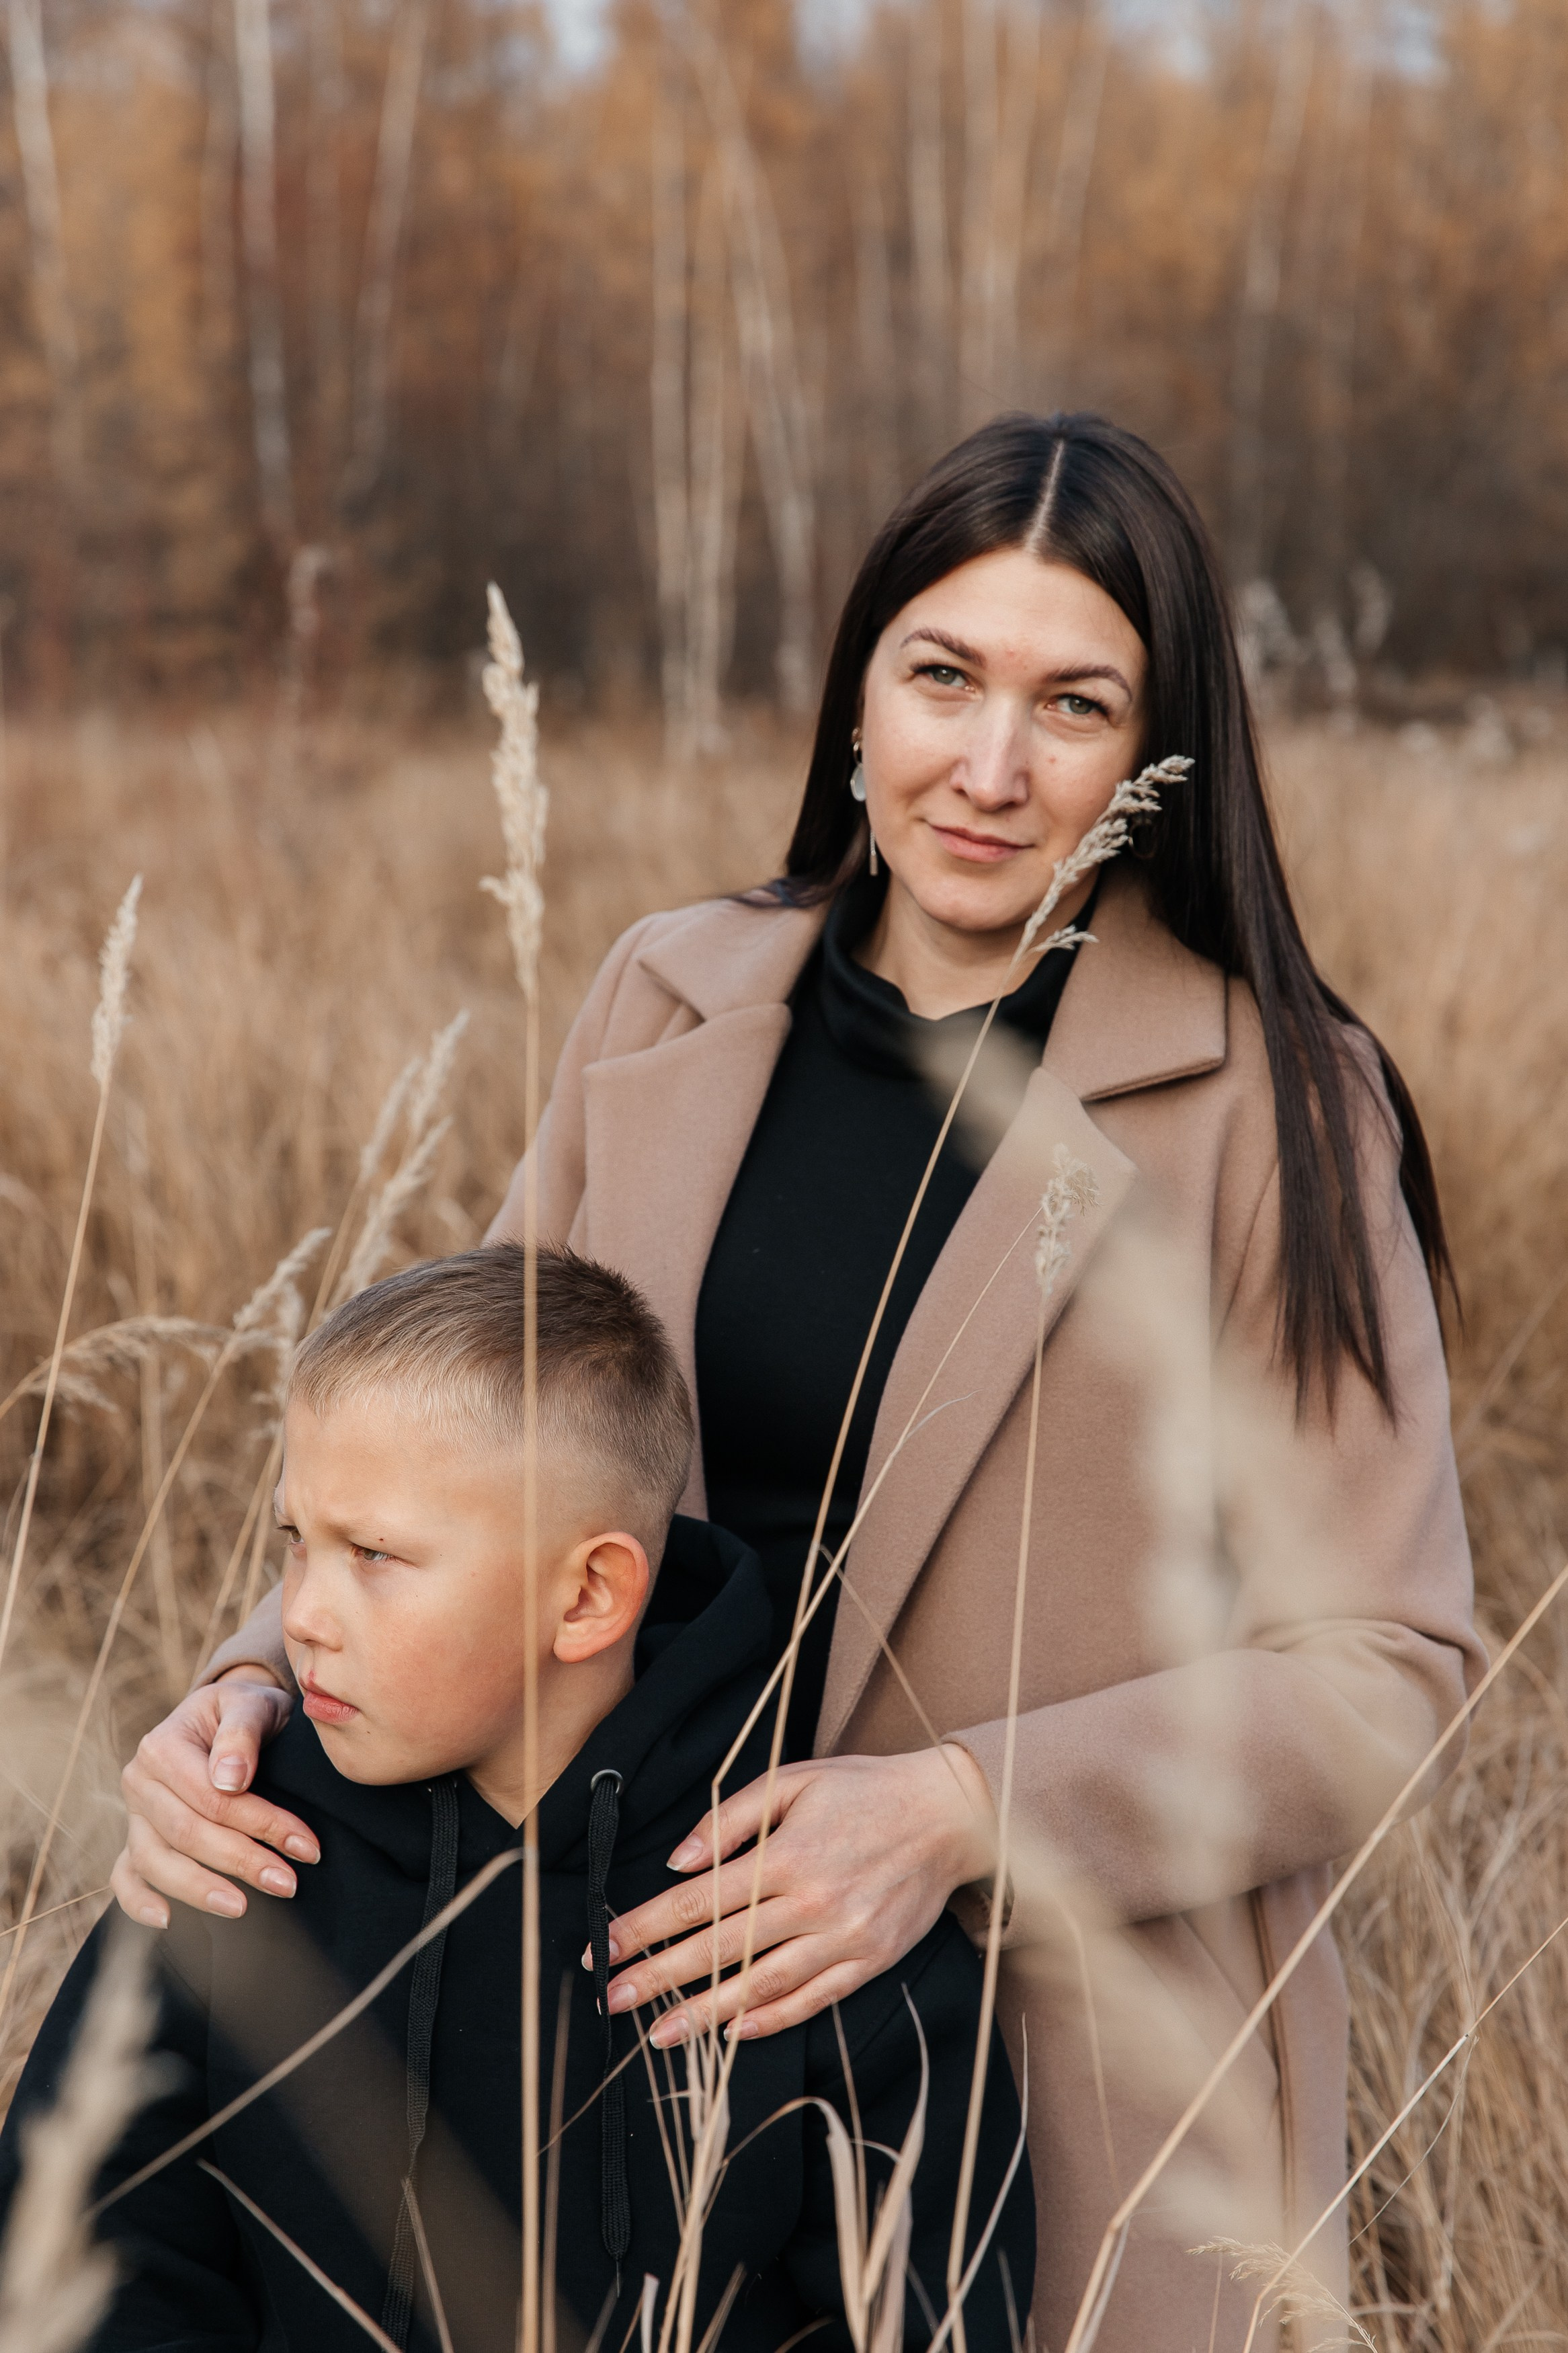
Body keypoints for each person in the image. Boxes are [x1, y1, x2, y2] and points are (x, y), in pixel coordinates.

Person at [110, 412, 1484, 2350]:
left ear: (1153, 757)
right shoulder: (663, 996)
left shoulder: (1276, 1106)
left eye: (1072, 705)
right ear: (855, 690)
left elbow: (1385, 1673)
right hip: (576, 1998)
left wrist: (946, 1810)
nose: (988, 768)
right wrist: (249, 1693)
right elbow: (458, 1457)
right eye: (941, 677)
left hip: (1038, 2077)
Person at [3, 1248, 1032, 2352]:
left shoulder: (800, 1908)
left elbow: (934, 2314)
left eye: (376, 1554)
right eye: (296, 1542)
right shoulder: (236, 1852)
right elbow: (88, 2246)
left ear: (587, 1596)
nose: (298, 1614)